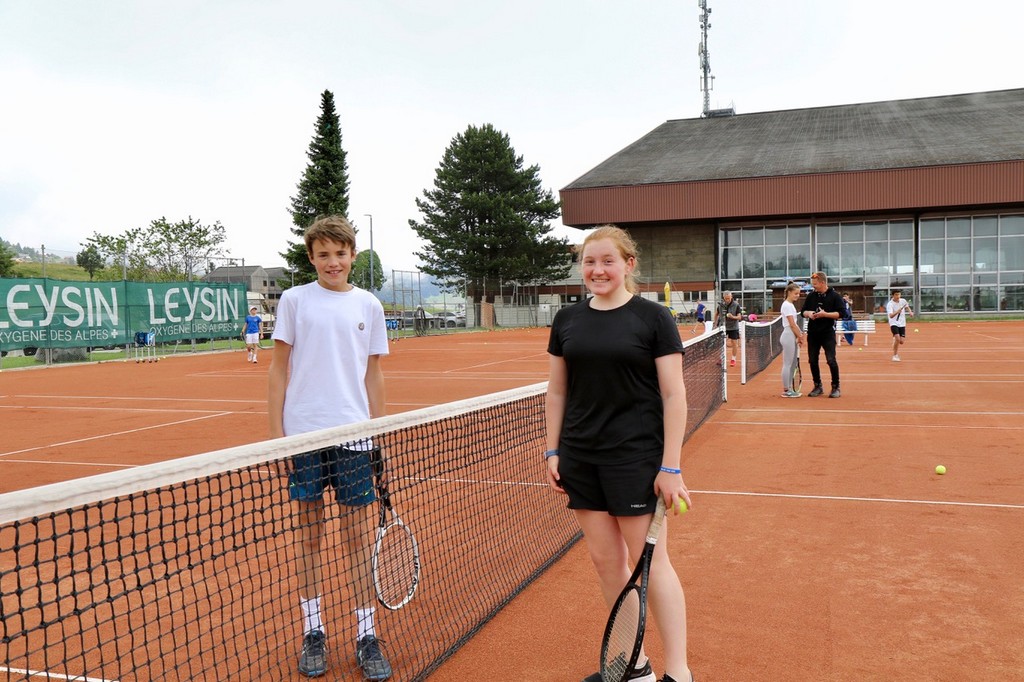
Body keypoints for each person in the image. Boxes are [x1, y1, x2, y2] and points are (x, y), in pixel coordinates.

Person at [545, 225, 694, 682]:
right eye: (590, 262)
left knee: (653, 564)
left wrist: (670, 466)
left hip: (635, 459)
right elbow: (557, 391)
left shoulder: (653, 319)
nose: (597, 270)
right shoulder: (567, 320)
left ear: (628, 264)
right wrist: (553, 450)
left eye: (608, 261)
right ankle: (636, 667)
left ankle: (680, 673)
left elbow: (674, 395)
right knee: (607, 563)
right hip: (581, 459)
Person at [268, 215, 392, 680]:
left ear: (353, 254)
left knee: (357, 540)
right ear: (311, 257)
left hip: (355, 437)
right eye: (323, 254)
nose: (332, 262)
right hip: (304, 435)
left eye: (340, 253)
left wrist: (378, 431)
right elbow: (278, 369)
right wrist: (276, 435)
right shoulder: (294, 300)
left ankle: (365, 635)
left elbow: (373, 373)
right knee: (308, 536)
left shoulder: (369, 305)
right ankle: (313, 631)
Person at [800, 272, 844, 398]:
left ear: (823, 283)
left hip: (828, 333)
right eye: (813, 284)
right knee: (812, 360)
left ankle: (836, 387)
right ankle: (817, 386)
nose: (813, 286)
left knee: (831, 360)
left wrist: (825, 314)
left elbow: (841, 314)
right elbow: (803, 312)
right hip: (813, 333)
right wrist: (809, 314)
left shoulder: (835, 296)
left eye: (815, 284)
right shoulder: (811, 296)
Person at [779, 283, 804, 397]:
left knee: (793, 363)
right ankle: (786, 390)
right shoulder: (786, 305)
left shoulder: (790, 305)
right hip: (788, 335)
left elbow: (795, 324)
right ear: (789, 292)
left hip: (792, 335)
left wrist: (800, 335)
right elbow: (792, 324)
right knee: (788, 363)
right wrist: (799, 335)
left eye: (798, 293)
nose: (797, 295)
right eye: (795, 293)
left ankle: (789, 388)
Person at [886, 290, 914, 361]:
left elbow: (907, 307)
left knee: (901, 341)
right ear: (893, 295)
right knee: (898, 339)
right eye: (896, 295)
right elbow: (891, 316)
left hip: (902, 323)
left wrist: (910, 312)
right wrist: (897, 312)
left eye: (899, 295)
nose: (898, 296)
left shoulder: (903, 301)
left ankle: (895, 340)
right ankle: (895, 356)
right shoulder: (890, 304)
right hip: (893, 323)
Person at [714, 291, 742, 367]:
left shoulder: (736, 305)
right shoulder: (721, 305)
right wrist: (715, 323)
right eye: (726, 298)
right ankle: (721, 358)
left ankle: (733, 359)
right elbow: (716, 314)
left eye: (729, 298)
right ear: (723, 298)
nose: (727, 300)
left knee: (734, 343)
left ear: (731, 297)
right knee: (720, 343)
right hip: (723, 326)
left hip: (733, 327)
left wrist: (732, 317)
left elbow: (739, 317)